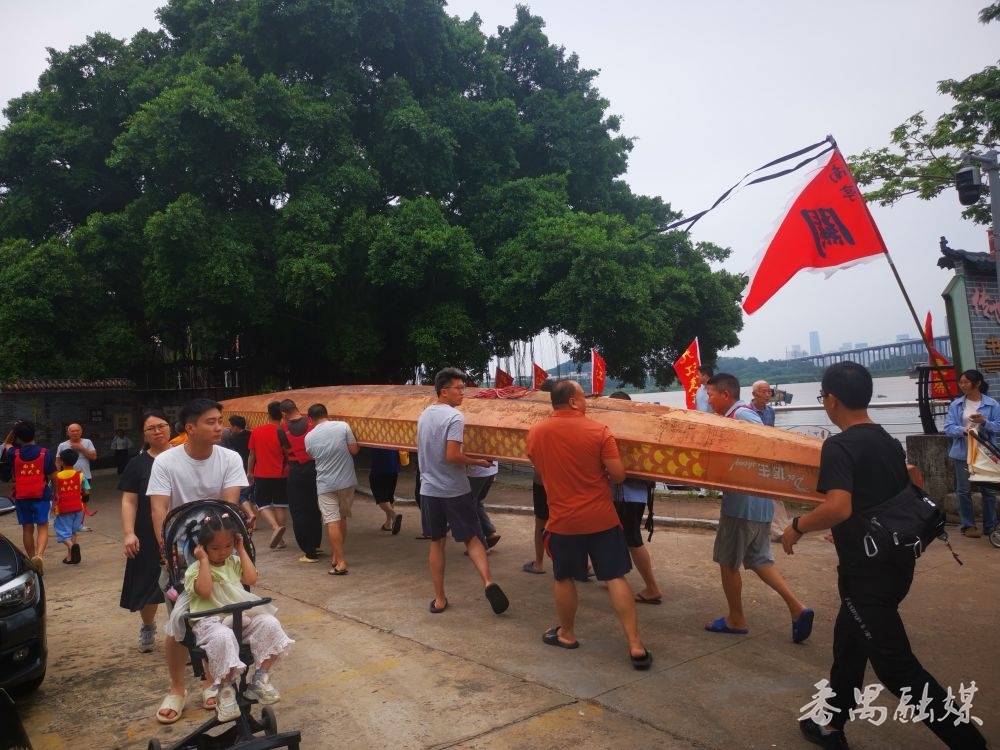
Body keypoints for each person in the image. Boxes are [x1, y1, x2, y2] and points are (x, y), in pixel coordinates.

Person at [782, 361, 987, 750]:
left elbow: (839, 506)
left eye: (823, 397)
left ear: (832, 399)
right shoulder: (886, 440)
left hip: (867, 575)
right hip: (897, 564)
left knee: (897, 668)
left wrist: (797, 526)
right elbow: (900, 488)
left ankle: (969, 742)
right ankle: (831, 722)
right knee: (849, 641)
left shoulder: (839, 445)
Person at [526, 379, 652, 670]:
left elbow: (541, 469)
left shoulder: (536, 432)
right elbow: (618, 476)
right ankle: (635, 644)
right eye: (584, 397)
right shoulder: (599, 431)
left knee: (563, 578)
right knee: (615, 577)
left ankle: (567, 634)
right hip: (601, 519)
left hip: (563, 521)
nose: (587, 402)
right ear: (572, 401)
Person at [147, 398, 250, 725]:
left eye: (220, 420)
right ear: (189, 428)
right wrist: (167, 551)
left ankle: (211, 682)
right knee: (179, 622)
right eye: (210, 421)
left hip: (219, 551)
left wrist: (225, 552)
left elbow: (228, 508)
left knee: (219, 619)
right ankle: (176, 688)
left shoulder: (230, 458)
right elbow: (159, 509)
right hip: (179, 554)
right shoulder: (166, 462)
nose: (219, 427)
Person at [703, 373, 813, 641]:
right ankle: (797, 608)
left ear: (725, 394)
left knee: (728, 562)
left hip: (743, 505)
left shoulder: (742, 415)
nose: (708, 400)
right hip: (759, 504)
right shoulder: (733, 416)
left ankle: (736, 619)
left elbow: (767, 444)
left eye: (711, 395)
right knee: (759, 559)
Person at [416, 367, 509, 616]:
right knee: (472, 538)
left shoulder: (423, 415)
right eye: (458, 388)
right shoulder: (455, 417)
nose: (462, 393)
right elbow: (453, 455)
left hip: (429, 489)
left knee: (437, 542)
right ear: (444, 391)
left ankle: (439, 599)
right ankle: (488, 582)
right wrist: (480, 462)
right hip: (454, 489)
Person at [185, 512, 293, 723]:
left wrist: (241, 550)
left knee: (269, 622)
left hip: (239, 617)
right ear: (202, 547)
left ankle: (260, 678)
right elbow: (204, 591)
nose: (222, 552)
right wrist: (203, 561)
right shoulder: (195, 569)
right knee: (223, 636)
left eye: (228, 546)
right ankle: (225, 690)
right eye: (215, 548)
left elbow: (251, 578)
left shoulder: (233, 562)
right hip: (211, 623)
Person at [119, 409, 171, 654]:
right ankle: (148, 625)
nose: (157, 431)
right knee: (147, 583)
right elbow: (129, 501)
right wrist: (129, 533)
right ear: (144, 434)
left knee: (186, 582)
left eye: (161, 426)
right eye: (151, 428)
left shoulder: (183, 456)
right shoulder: (137, 464)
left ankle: (187, 635)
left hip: (180, 527)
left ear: (170, 427)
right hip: (146, 531)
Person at [607, 391, 664, 605]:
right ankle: (614, 577)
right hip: (632, 494)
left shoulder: (624, 431)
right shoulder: (639, 428)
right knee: (618, 537)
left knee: (632, 539)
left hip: (627, 495)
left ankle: (652, 587)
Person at [943, 368, 999, 539]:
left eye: (966, 382)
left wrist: (984, 422)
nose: (963, 385)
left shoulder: (992, 404)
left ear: (978, 383)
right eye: (961, 382)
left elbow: (998, 427)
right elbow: (948, 428)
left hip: (986, 453)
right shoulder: (956, 405)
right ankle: (968, 525)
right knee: (963, 490)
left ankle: (990, 526)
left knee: (989, 491)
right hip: (963, 453)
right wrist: (963, 430)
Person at [304, 403, 359, 575]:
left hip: (325, 484)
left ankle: (340, 561)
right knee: (342, 518)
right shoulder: (343, 426)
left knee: (331, 521)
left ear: (310, 419)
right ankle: (336, 555)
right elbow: (354, 450)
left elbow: (311, 456)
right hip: (346, 481)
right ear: (327, 414)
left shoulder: (309, 437)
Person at [0, 420, 57, 574]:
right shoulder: (45, 453)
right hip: (41, 495)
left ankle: (32, 559)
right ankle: (39, 555)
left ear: (18, 437)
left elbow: (6, 444)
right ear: (34, 434)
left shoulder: (14, 453)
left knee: (27, 528)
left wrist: (14, 430)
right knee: (43, 525)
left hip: (21, 496)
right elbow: (53, 476)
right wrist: (56, 493)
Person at [278, 399, 323, 563]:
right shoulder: (311, 423)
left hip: (296, 472)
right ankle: (316, 545)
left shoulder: (282, 429)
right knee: (313, 509)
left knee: (299, 511)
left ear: (283, 414)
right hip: (315, 469)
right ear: (297, 408)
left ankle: (309, 552)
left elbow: (286, 451)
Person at [750, 379, 791, 542]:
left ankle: (780, 529)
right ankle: (776, 529)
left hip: (768, 456)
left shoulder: (770, 412)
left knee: (774, 492)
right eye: (764, 391)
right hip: (752, 457)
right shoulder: (746, 412)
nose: (768, 394)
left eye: (769, 392)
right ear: (754, 394)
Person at [523, 378, 556, 576]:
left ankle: (539, 562)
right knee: (568, 521)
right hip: (566, 480)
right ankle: (583, 564)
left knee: (541, 521)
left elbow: (530, 451)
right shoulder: (570, 417)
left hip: (542, 479)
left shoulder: (535, 420)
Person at [247, 401, 290, 549]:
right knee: (280, 505)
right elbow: (288, 453)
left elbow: (252, 454)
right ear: (282, 415)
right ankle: (281, 539)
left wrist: (249, 471)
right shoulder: (284, 431)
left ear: (268, 414)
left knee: (262, 503)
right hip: (282, 474)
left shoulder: (257, 431)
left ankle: (275, 527)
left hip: (262, 474)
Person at [54, 448, 89, 565]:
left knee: (62, 532)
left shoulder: (56, 477)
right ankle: (70, 557)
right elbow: (86, 492)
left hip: (63, 509)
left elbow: (51, 492)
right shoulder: (80, 475)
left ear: (61, 461)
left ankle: (72, 546)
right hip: (78, 508)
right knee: (73, 532)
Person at [58, 423, 97, 529]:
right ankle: (69, 523)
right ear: (67, 433)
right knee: (69, 500)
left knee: (84, 500)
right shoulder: (62, 445)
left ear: (81, 431)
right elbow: (58, 461)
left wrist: (81, 448)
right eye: (72, 431)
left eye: (77, 430)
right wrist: (56, 475)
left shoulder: (87, 442)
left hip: (84, 476)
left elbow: (94, 456)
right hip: (67, 477)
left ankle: (80, 524)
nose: (75, 433)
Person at [368, 448, 403, 534]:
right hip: (393, 466)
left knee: (380, 496)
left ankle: (394, 515)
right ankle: (389, 523)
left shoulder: (375, 438)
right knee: (389, 496)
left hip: (379, 467)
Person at [468, 460, 501, 550]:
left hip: (476, 471)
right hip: (490, 469)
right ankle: (490, 532)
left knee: (470, 506)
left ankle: (480, 544)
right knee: (476, 503)